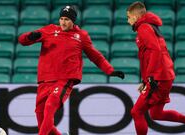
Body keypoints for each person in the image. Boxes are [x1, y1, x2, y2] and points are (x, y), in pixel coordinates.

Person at [18, 5, 125, 135]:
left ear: (73, 21)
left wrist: (110, 70)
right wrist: (30, 36)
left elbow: (95, 56)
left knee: (50, 107)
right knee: (42, 119)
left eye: (67, 19)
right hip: (44, 80)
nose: (63, 22)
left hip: (64, 79)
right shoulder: (49, 30)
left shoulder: (81, 36)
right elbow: (22, 40)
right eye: (62, 18)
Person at [126, 2, 185, 135]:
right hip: (163, 76)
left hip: (158, 77)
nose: (127, 20)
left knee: (136, 112)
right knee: (156, 114)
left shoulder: (144, 28)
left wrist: (150, 77)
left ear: (135, 16)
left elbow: (156, 51)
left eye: (128, 17)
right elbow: (149, 55)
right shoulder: (149, 26)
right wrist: (145, 79)